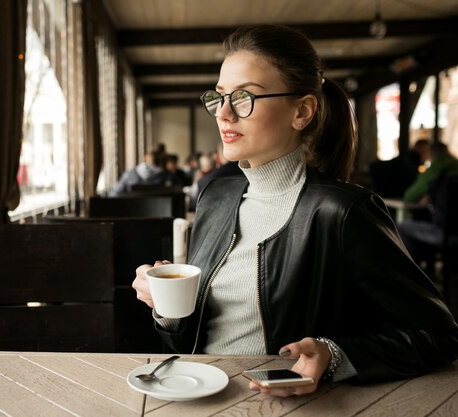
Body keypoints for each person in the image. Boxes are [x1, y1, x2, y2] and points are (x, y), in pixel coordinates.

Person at [132, 24, 458, 398]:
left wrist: (332, 355)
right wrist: (167, 309)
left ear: (302, 111)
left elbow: (440, 337)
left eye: (243, 97)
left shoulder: (343, 211)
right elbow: (188, 344)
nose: (223, 114)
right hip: (198, 395)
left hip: (289, 404)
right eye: (219, 97)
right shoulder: (215, 196)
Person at [398, 142, 458, 271]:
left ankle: (416, 276)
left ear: (431, 154)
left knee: (403, 226)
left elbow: (409, 196)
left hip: (443, 233)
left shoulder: (437, 169)